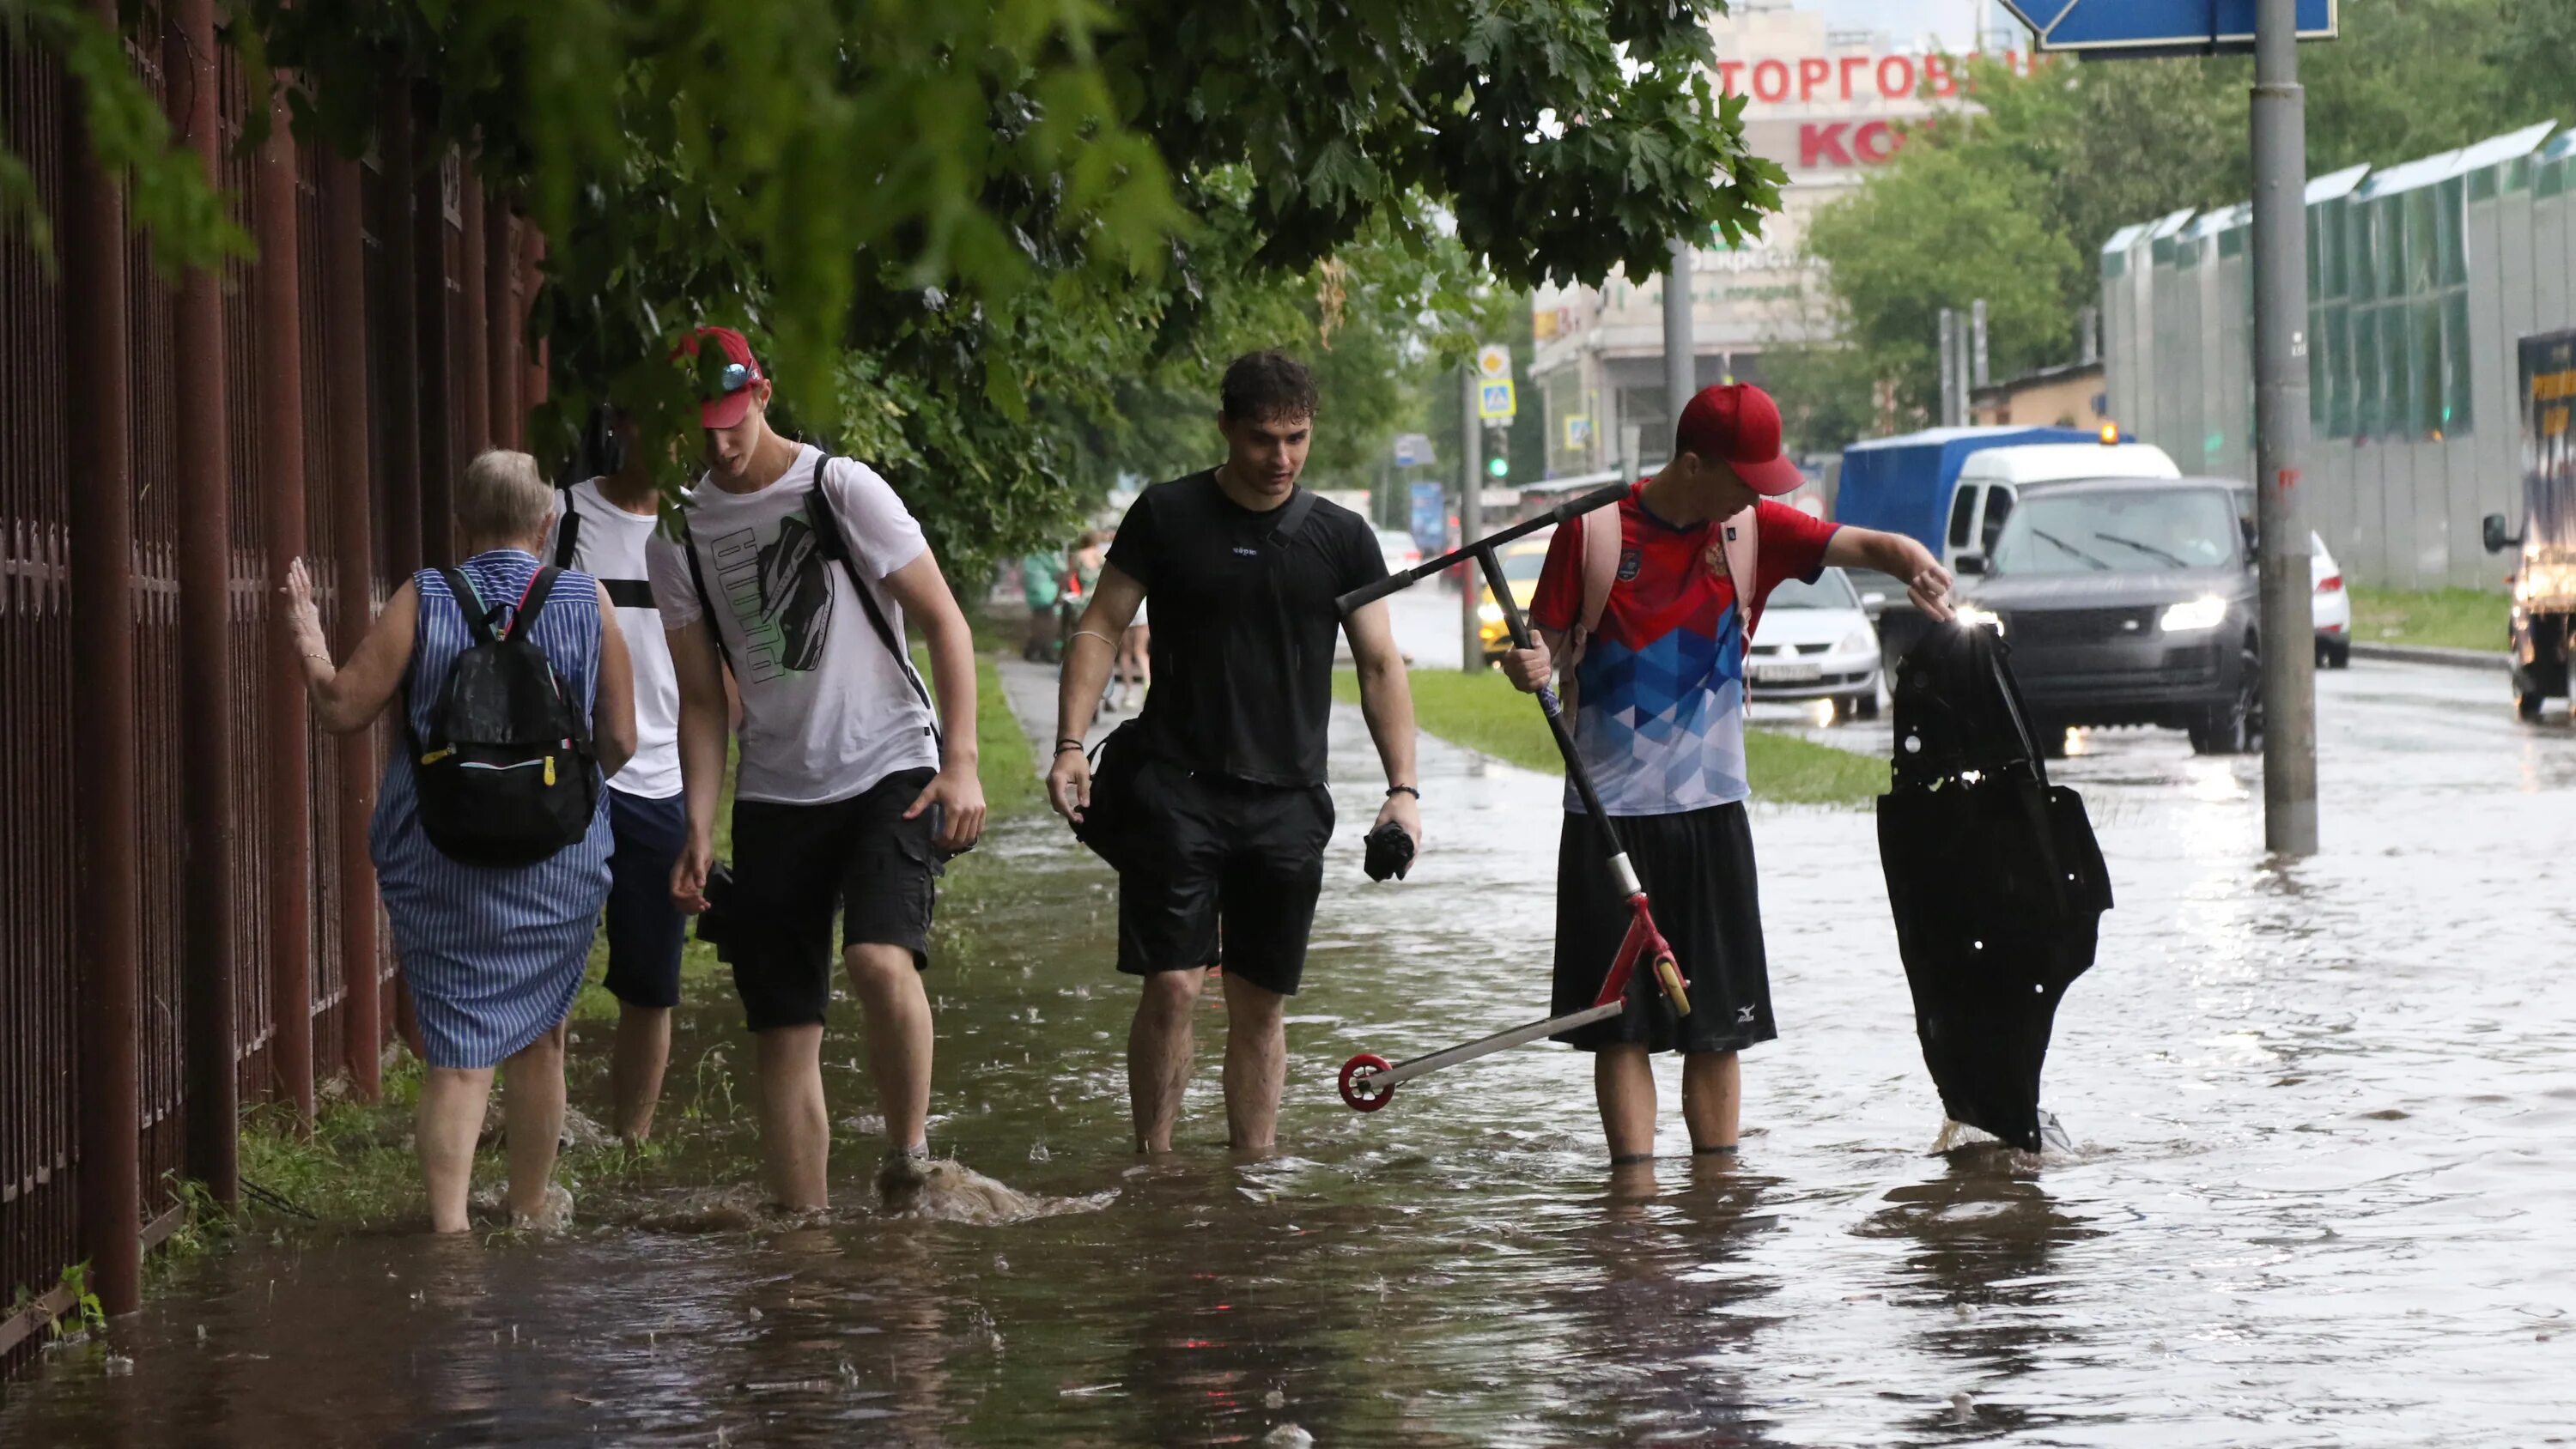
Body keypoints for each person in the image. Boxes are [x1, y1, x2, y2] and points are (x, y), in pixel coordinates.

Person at [1498, 383, 1953, 1165]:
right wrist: (1526, 661)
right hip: (1608, 820)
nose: (1757, 496)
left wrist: (1908, 555)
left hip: (1714, 815)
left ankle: (1716, 1201)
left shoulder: (1751, 530)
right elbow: (1537, 645)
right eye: (1745, 478)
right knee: (1623, 1027)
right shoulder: (1595, 530)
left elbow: (1862, 546)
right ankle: (1632, 1205)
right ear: (1692, 463)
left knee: (1718, 1028)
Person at [646, 325, 987, 1210]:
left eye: (731, 419)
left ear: (762, 394)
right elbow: (703, 700)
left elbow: (946, 622)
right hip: (775, 793)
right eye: (700, 428)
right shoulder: (678, 535)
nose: (720, 444)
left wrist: (964, 763)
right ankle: (803, 1241)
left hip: (890, 766)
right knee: (782, 1024)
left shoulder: (841, 488)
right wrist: (697, 823)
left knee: (879, 960)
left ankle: (909, 1160)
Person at [1047, 350, 1421, 1155]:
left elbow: (1380, 664)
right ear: (1225, 429)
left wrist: (1404, 790)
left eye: (1296, 438)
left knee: (1259, 1002)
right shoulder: (1167, 515)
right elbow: (1103, 624)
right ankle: (1155, 1167)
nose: (1280, 458)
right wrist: (1071, 743)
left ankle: (1251, 1175)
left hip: (1287, 798)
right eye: (1261, 439)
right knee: (1175, 983)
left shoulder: (1343, 538)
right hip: (1174, 786)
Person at [285, 449, 637, 1232]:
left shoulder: (426, 596)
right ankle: (529, 1211)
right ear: (546, 526)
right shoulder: (587, 600)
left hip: (438, 856)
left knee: (458, 1051)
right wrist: (558, 800)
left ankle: (448, 1235)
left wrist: (309, 635)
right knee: (542, 1038)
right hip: (559, 862)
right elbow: (619, 737)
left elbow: (342, 708)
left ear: (462, 526)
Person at [548, 410, 688, 1143]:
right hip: (572, 773)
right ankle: (553, 1128)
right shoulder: (565, 516)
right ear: (628, 425)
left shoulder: (700, 528)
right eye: (663, 423)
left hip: (664, 781)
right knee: (552, 971)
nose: (674, 442)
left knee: (650, 981)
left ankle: (631, 1143)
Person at [1019, 549, 1064, 661]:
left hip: (1032, 589)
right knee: (1050, 621)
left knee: (1038, 619)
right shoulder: (1048, 551)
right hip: (1045, 589)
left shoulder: (1031, 552)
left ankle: (1033, 649)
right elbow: (1059, 569)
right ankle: (1045, 650)